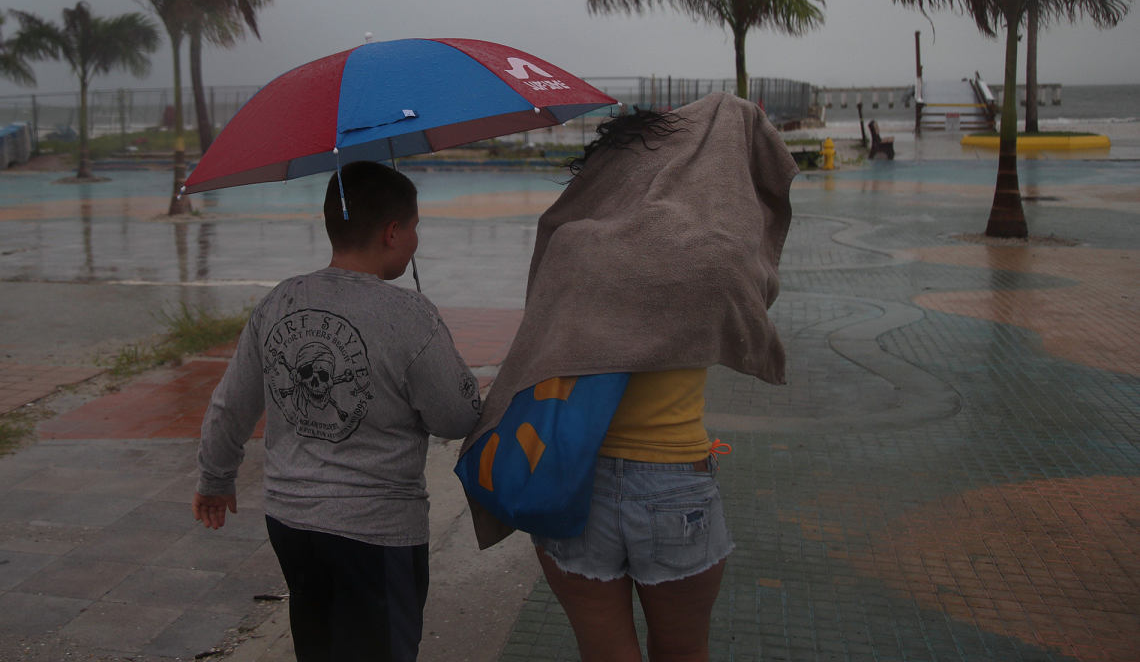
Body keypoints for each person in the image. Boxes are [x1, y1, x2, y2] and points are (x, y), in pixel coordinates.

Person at [458, 92, 796, 662]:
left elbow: (539, 345)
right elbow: (757, 276)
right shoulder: (709, 251)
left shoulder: (574, 244)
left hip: (570, 476)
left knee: (604, 653)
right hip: (673, 482)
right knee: (684, 652)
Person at [195, 160, 483, 662]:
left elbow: (230, 404)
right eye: (415, 228)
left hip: (290, 522)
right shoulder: (411, 316)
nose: (416, 240)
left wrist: (215, 479)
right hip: (377, 534)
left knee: (319, 647)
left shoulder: (280, 300)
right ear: (393, 232)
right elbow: (456, 418)